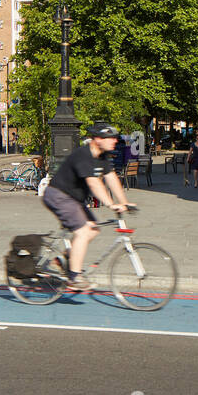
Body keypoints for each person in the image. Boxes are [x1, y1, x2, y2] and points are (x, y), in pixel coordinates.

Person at [40, 122, 131, 292]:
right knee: (82, 231)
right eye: (110, 138)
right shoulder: (84, 155)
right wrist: (112, 204)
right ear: (97, 139)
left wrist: (124, 201)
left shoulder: (102, 156)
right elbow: (94, 184)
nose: (115, 141)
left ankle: (62, 260)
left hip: (73, 200)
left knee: (93, 229)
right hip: (58, 196)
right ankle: (74, 277)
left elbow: (111, 178)